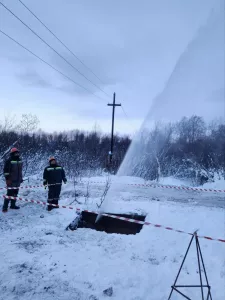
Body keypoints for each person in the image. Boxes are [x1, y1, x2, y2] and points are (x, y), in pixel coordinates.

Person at [2, 147, 23, 212]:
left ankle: (13, 205)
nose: (16, 154)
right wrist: (7, 179)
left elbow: (20, 171)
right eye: (15, 153)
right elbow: (6, 171)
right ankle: (5, 207)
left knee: (15, 193)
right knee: (9, 194)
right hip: (11, 180)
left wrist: (21, 178)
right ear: (12, 153)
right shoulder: (9, 161)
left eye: (17, 153)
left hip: (17, 180)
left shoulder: (20, 160)